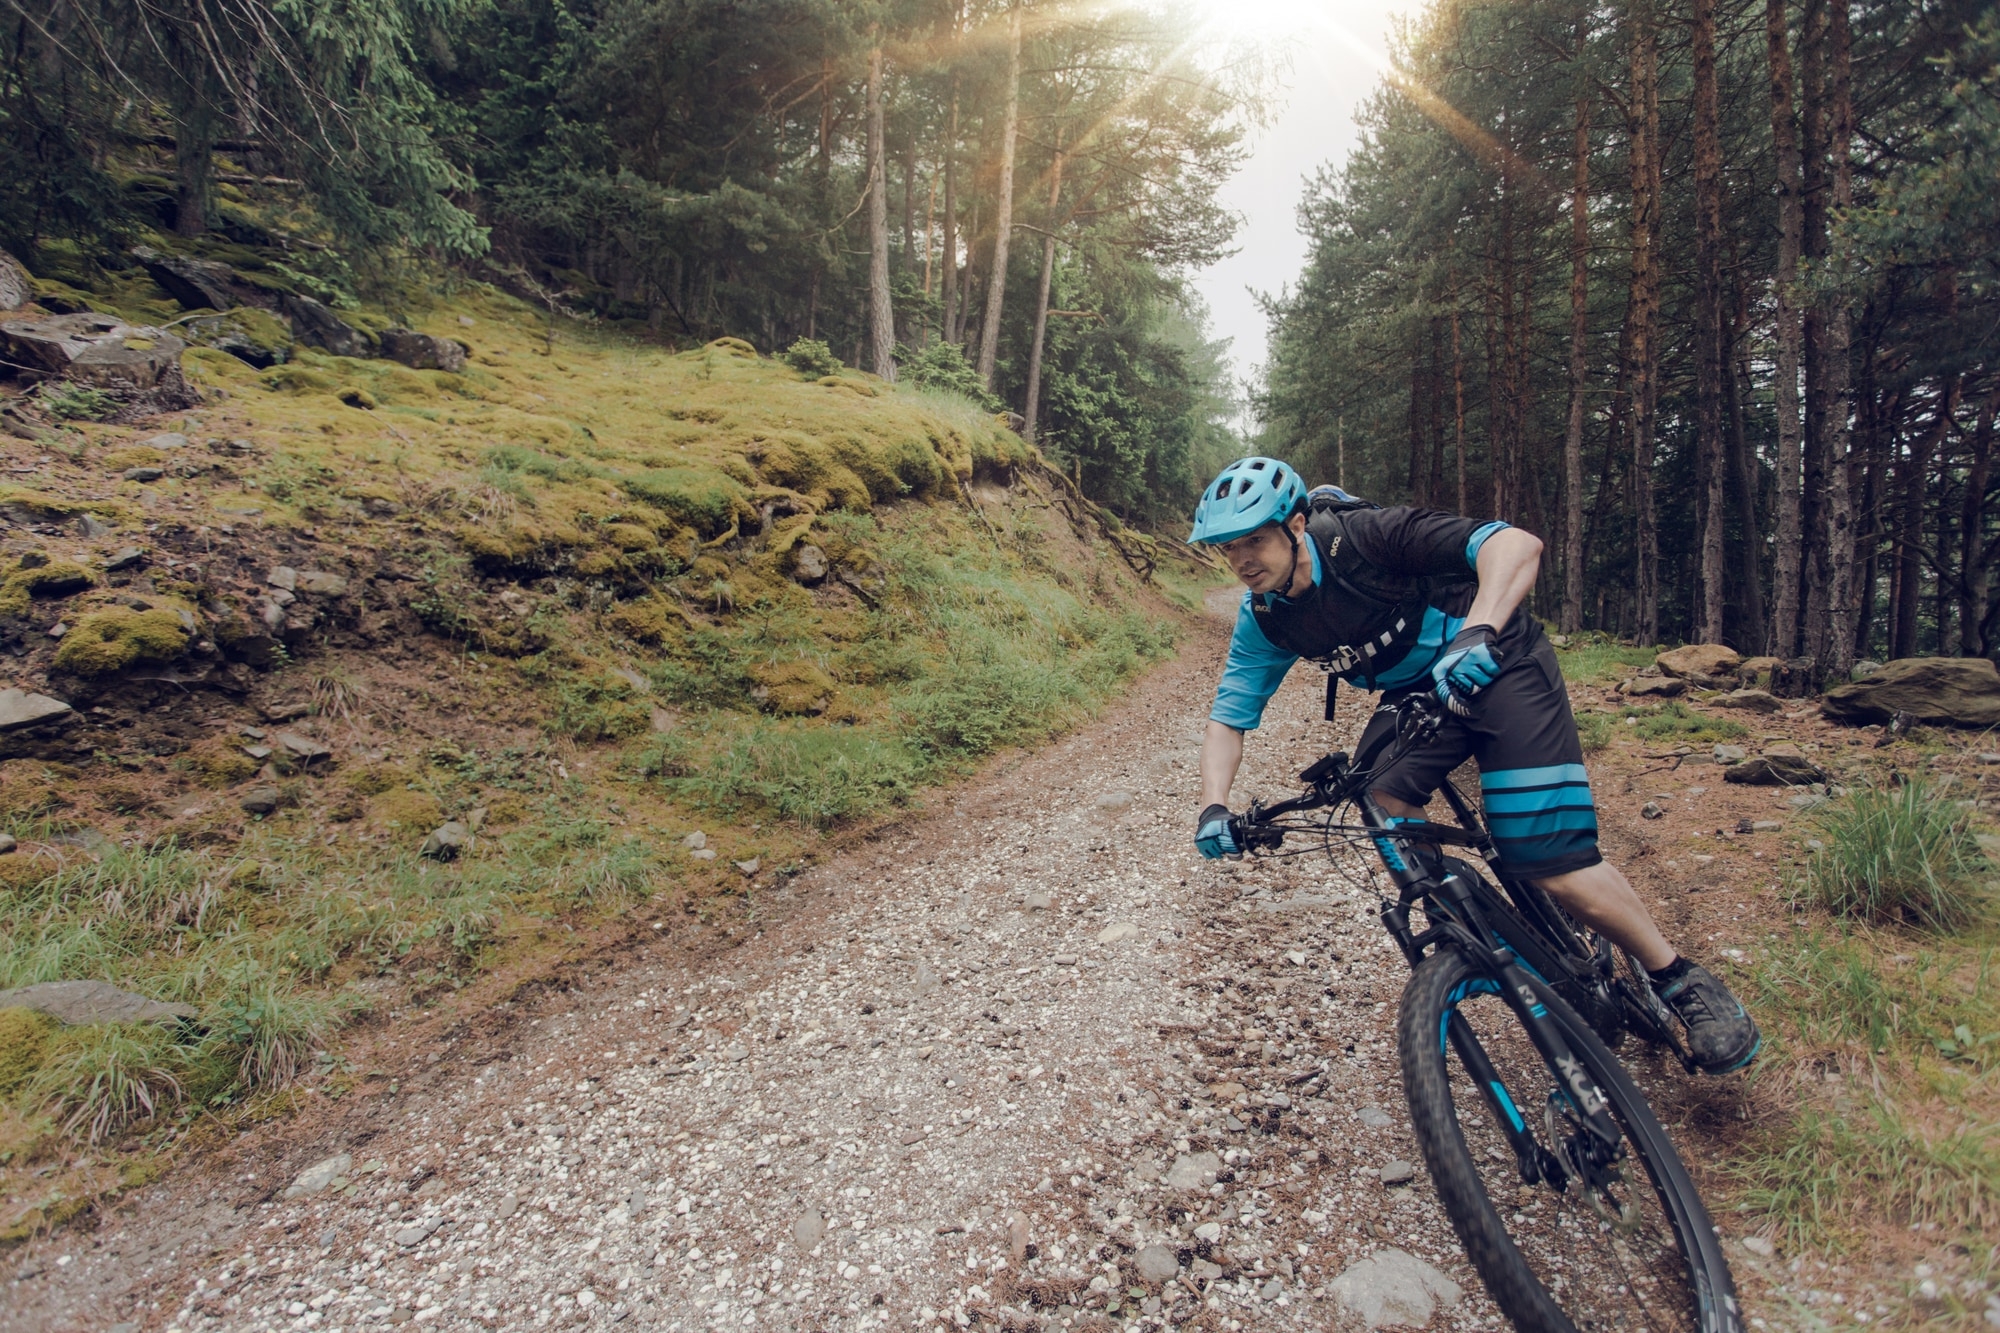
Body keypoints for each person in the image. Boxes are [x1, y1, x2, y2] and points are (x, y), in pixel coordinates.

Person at [1187, 456, 1760, 1075]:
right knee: (1379, 804)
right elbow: (1230, 716)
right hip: (1415, 694)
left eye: (1254, 540)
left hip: (1501, 659)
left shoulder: (1366, 538)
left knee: (1550, 858)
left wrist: (1478, 628)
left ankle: (1678, 979)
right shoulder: (1266, 617)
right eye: (1228, 548)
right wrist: (1214, 803)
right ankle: (1489, 925)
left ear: (1296, 525)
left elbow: (1513, 544)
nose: (1243, 560)